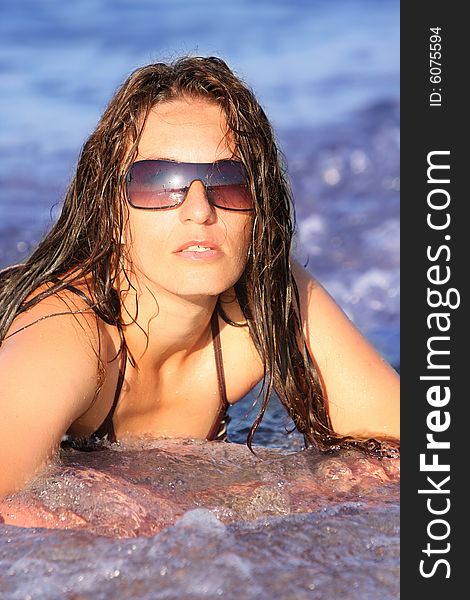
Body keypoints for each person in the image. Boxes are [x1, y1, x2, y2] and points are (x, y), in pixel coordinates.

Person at [0, 56, 399, 498]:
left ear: (259, 206)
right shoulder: (68, 335)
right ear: (110, 210)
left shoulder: (266, 298)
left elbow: (415, 453)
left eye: (228, 182)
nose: (199, 210)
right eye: (159, 182)